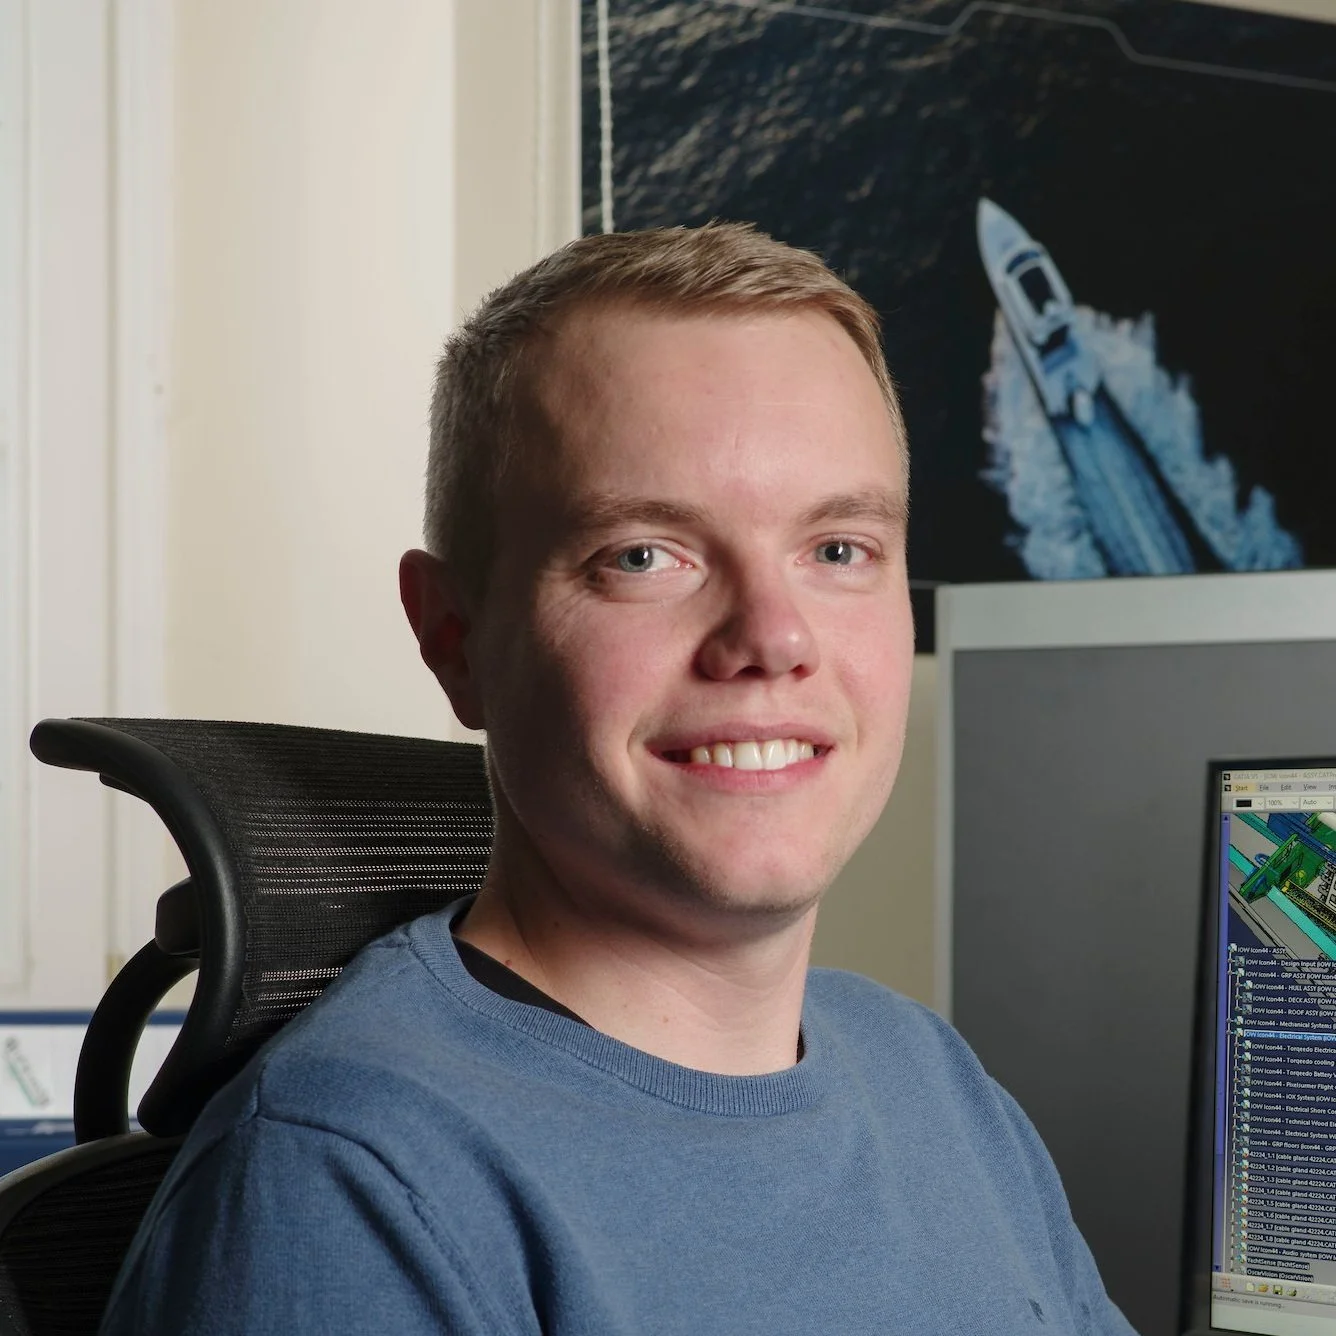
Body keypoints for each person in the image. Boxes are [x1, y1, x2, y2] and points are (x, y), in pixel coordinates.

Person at [102, 223, 1135, 1334]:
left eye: (837, 548)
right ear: (453, 636)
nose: (772, 637)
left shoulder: (932, 1081)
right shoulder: (352, 1183)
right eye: (644, 555)